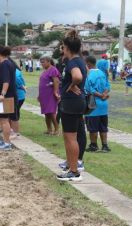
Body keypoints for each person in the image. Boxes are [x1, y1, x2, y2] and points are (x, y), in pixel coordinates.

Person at [56, 30, 87, 181]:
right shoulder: (80, 60)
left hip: (72, 103)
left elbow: (78, 76)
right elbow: (84, 72)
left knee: (71, 138)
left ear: (67, 47)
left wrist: (72, 86)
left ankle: (74, 171)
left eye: (63, 46)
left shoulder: (73, 62)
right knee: (69, 137)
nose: (62, 49)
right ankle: (71, 166)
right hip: (75, 103)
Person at [84, 56, 111, 153]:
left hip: (93, 104)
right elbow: (108, 86)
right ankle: (105, 146)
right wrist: (104, 94)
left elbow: (89, 89)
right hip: (104, 105)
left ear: (88, 64)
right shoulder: (102, 73)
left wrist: (99, 95)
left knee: (92, 127)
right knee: (103, 127)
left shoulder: (88, 75)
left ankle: (93, 145)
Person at [0, 46, 17, 151]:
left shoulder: (4, 65)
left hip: (5, 97)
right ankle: (5, 140)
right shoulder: (8, 64)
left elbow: (6, 81)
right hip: (5, 96)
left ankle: (7, 143)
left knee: (4, 120)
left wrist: (2, 94)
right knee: (2, 120)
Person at [38, 56, 61, 135]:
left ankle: (57, 129)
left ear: (49, 62)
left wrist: (55, 92)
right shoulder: (45, 71)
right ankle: (49, 129)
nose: (42, 64)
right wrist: (39, 95)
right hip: (44, 95)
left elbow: (56, 81)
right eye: (41, 62)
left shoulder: (53, 69)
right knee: (46, 112)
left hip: (51, 94)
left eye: (43, 62)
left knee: (51, 112)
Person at [11, 65, 26, 137]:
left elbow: (17, 80)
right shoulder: (16, 71)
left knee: (14, 113)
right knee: (15, 112)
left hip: (18, 95)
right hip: (19, 95)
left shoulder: (14, 72)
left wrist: (23, 87)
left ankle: (15, 131)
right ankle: (13, 129)